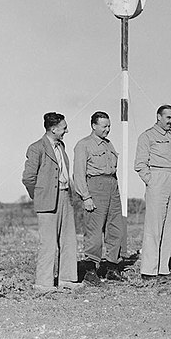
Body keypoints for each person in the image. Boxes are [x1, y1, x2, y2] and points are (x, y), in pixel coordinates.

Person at [22, 112, 79, 290]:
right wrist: (40, 195)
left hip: (64, 197)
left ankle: (67, 279)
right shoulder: (36, 148)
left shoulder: (61, 146)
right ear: (54, 129)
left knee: (69, 240)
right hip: (47, 200)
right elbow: (28, 178)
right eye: (64, 128)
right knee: (47, 242)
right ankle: (43, 283)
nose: (67, 131)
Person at [73, 111, 125, 285]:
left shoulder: (109, 145)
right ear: (94, 126)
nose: (108, 129)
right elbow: (79, 174)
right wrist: (86, 197)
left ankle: (112, 268)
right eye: (104, 126)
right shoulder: (84, 145)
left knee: (115, 229)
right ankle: (90, 270)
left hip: (112, 186)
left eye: (109, 126)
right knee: (94, 231)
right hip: (95, 187)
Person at [134, 105, 171, 280]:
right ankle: (149, 270)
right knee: (154, 226)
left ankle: (163, 268)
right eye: (168, 118)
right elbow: (140, 164)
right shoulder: (147, 136)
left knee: (170, 227)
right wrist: (152, 181)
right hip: (158, 179)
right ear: (158, 117)